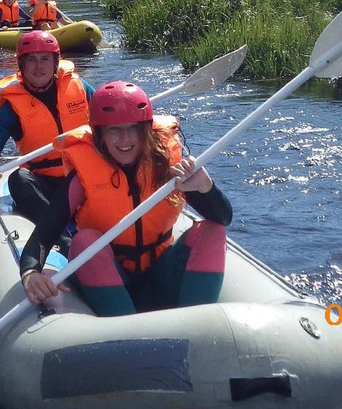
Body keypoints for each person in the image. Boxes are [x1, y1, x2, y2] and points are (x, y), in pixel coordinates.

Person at [18, 80, 231, 317]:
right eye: (114, 130)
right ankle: (128, 333)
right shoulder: (82, 178)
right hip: (109, 275)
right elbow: (44, 233)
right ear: (100, 135)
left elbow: (223, 217)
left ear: (146, 131)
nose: (125, 139)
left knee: (212, 230)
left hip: (159, 272)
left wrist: (206, 187)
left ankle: (198, 326)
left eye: (133, 128)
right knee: (84, 241)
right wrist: (30, 272)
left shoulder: (168, 167)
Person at [0, 32, 94, 221]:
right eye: (31, 60)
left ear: (55, 63)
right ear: (22, 66)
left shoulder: (80, 88)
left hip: (85, 176)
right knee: (18, 180)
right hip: (46, 185)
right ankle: (59, 238)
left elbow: (112, 121)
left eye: (45, 59)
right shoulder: (11, 110)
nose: (38, 66)